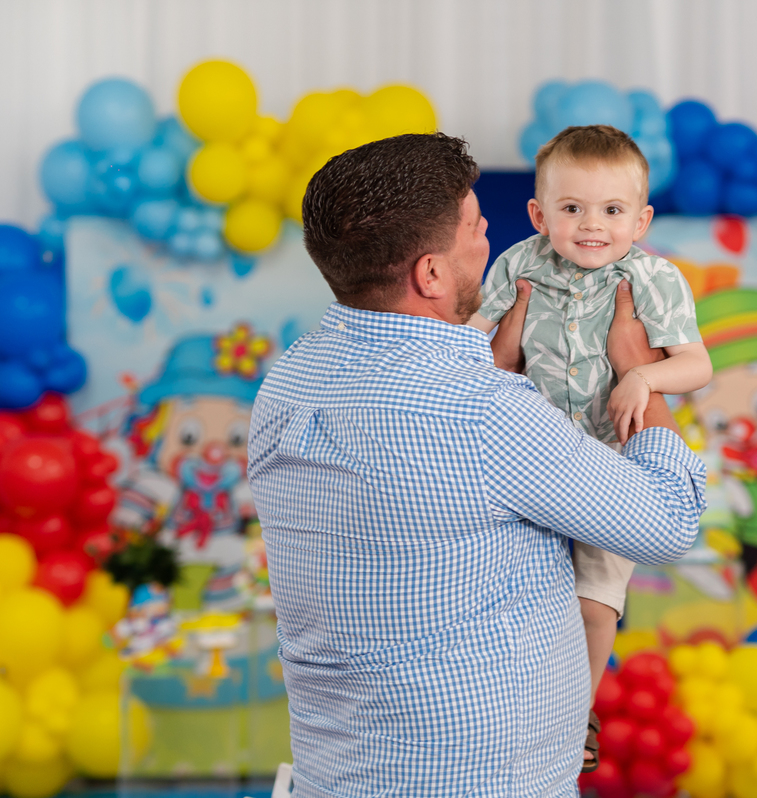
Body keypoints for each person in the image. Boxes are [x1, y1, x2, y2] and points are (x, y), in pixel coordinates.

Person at [246, 133, 706, 797]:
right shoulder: (483, 413)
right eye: (473, 227)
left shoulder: (289, 383)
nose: (489, 235)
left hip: (334, 776)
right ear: (431, 275)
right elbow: (669, 522)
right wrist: (639, 371)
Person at [468, 126, 712, 723]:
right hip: (532, 461)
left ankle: (578, 715)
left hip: (612, 465)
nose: (591, 225)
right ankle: (519, 708)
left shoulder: (653, 279)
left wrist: (643, 377)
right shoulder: (519, 264)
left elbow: (696, 364)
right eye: (572, 209)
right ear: (539, 215)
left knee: (595, 601)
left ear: (641, 220)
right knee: (519, 598)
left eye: (612, 210)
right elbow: (470, 339)